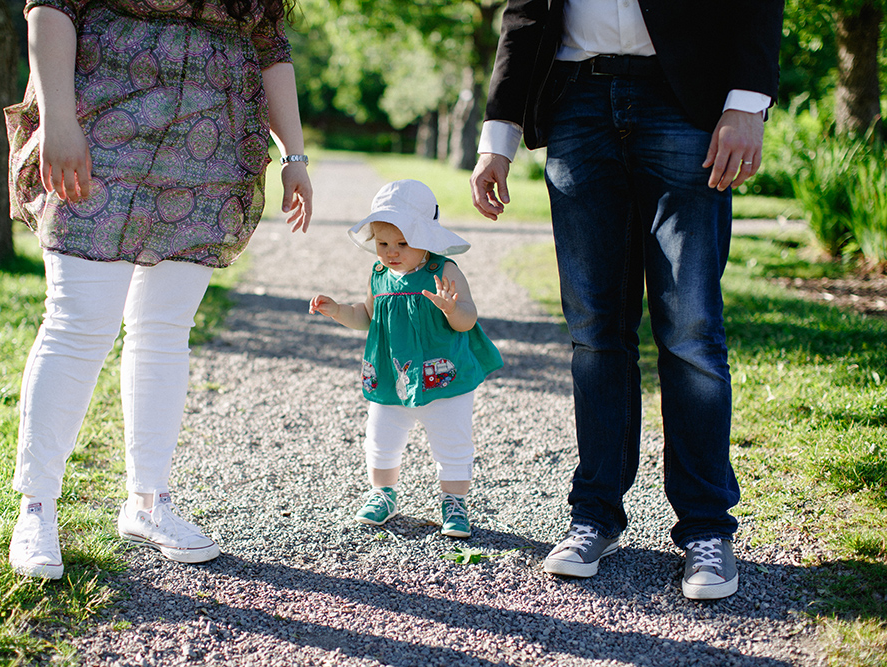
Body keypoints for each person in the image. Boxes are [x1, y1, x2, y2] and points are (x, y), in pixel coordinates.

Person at [470, 1, 784, 600]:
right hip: (575, 103)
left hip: (685, 100)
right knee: (594, 329)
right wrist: (498, 136)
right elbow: (526, 12)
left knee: (690, 329)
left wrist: (746, 102)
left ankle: (706, 528)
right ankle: (595, 515)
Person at [5, 0, 313, 580]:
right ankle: (37, 508)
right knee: (78, 324)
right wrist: (59, 119)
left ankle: (148, 502)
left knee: (165, 332)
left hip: (210, 147)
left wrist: (294, 154)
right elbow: (51, 7)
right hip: (102, 128)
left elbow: (269, 46)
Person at [309, 180, 503, 538]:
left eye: (402, 243)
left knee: (452, 440)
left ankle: (454, 501)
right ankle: (382, 492)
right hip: (391, 374)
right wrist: (338, 311)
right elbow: (366, 317)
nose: (391, 252)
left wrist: (451, 308)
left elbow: (468, 319)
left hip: (442, 375)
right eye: (383, 244)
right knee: (380, 438)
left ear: (426, 237)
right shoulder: (379, 275)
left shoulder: (444, 271)